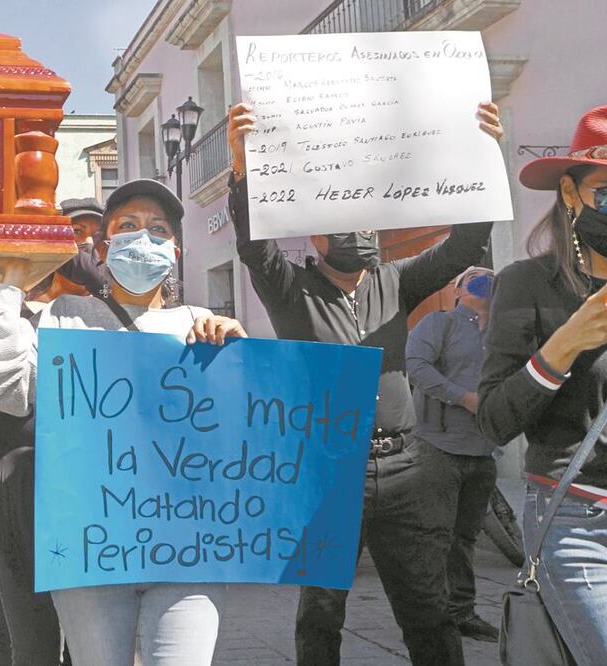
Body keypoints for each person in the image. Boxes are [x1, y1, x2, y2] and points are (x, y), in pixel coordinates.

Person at [226, 100, 504, 665]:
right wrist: (241, 169)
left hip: (405, 469)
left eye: (367, 218)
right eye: (346, 219)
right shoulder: (290, 288)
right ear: (316, 235)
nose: (361, 230)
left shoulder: (397, 281)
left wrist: (484, 155)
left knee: (428, 607)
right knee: (322, 610)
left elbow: (465, 245)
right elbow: (254, 246)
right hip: (329, 469)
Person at [0, 178, 246, 666]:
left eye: (158, 230)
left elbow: (242, 430)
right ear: (105, 245)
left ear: (175, 251)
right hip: (92, 548)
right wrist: (9, 288)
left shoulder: (203, 323)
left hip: (186, 550)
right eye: (129, 226)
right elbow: (5, 385)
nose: (144, 237)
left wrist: (242, 354)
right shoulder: (65, 317)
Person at [478, 105, 607, 665]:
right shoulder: (527, 284)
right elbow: (493, 420)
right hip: (576, 522)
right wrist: (564, 344)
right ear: (571, 193)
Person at [405, 266, 499, 642]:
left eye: (490, 279)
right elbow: (417, 369)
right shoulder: (438, 324)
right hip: (438, 447)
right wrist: (464, 398)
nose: (483, 282)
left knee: (465, 537)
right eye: (473, 279)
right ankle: (430, 616)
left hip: (483, 451)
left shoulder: (503, 332)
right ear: (457, 290)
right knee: (435, 535)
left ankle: (462, 612)